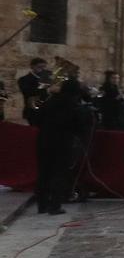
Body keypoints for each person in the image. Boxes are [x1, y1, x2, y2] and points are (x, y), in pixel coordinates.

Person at [29, 75, 92, 215]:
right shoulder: (74, 106)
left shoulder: (49, 102)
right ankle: (55, 205)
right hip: (63, 143)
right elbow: (80, 127)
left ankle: (42, 205)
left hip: (44, 141)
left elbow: (36, 120)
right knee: (60, 173)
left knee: (44, 173)